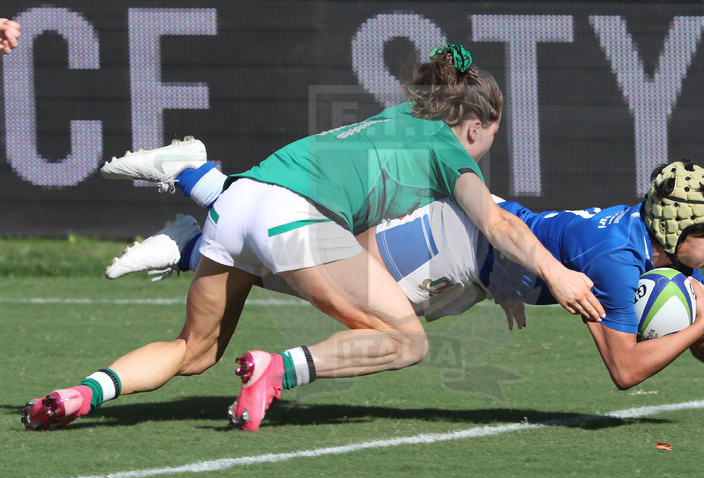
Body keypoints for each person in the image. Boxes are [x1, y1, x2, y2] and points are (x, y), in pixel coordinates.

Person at [21, 44, 604, 432]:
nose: (484, 152)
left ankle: (80, 394)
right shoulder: (448, 148)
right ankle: (277, 367)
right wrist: (556, 273)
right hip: (293, 216)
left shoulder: (402, 118)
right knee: (407, 341)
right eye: (490, 138)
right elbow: (498, 224)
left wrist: (502, 280)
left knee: (193, 353)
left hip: (240, 201)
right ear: (473, 127)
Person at [103, 160, 704, 392]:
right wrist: (699, 322)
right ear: (674, 227)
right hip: (457, 243)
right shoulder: (618, 260)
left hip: (477, 268)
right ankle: (202, 202)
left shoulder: (650, 245)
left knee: (323, 275)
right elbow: (626, 368)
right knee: (327, 275)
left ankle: (202, 221)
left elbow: (684, 345)